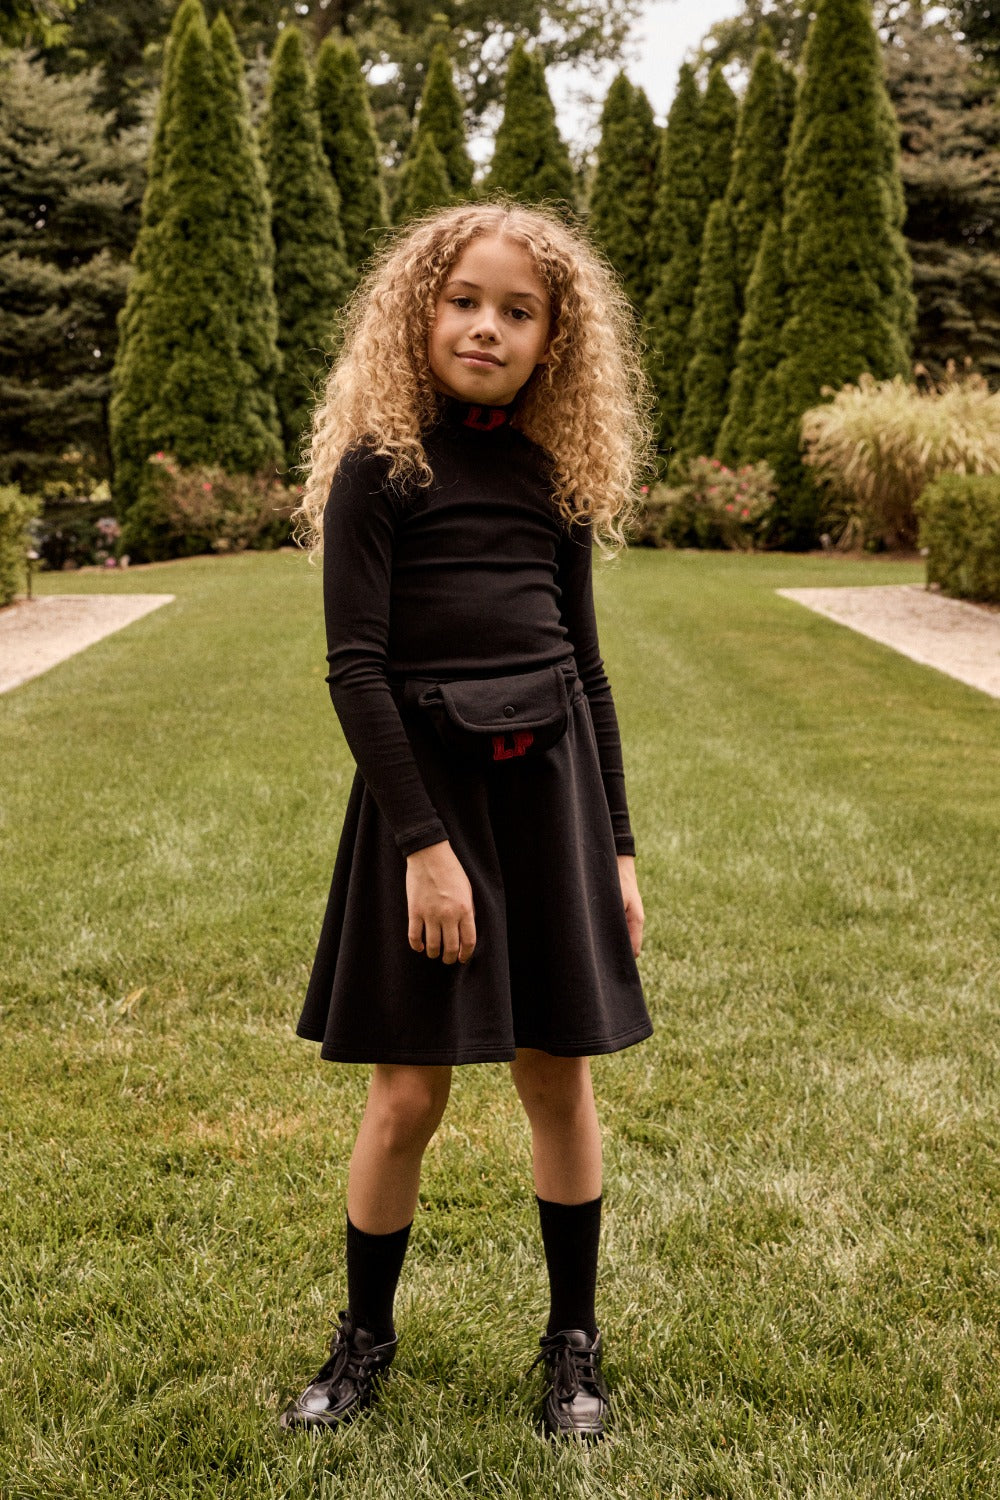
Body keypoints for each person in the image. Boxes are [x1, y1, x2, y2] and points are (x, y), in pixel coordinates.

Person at [280, 197, 655, 1443]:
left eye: (517, 310)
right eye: (463, 300)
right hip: (424, 809)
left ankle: (573, 1346)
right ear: (416, 311)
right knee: (408, 1096)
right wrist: (424, 853)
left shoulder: (553, 479)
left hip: (549, 806)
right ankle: (363, 1341)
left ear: (555, 339)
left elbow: (587, 673)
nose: (486, 327)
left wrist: (616, 846)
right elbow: (355, 671)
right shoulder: (377, 471)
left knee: (557, 1075)